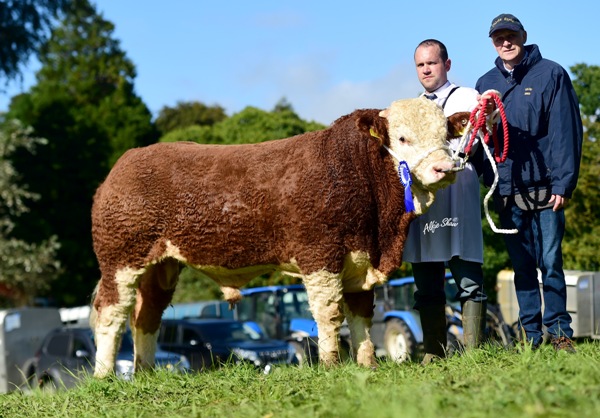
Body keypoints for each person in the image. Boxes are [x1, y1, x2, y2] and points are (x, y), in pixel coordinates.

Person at [475, 14, 583, 352]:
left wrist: (563, 183)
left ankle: (560, 332)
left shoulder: (551, 73)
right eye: (498, 38)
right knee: (521, 266)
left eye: (511, 35)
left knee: (550, 262)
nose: (505, 43)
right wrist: (489, 181)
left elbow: (566, 131)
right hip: (508, 190)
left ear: (523, 35)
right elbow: (479, 141)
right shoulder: (484, 84)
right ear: (493, 43)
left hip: (547, 186)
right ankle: (532, 337)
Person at [403, 39, 487, 364]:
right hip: (425, 200)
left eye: (432, 63)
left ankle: (473, 354)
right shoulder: (410, 109)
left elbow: (469, 144)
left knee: (466, 274)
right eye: (421, 65)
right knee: (426, 279)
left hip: (458, 193)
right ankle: (433, 353)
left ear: (447, 64)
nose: (426, 69)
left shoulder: (467, 98)